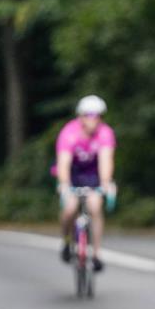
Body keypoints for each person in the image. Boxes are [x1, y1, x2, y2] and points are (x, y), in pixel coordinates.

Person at [55, 95, 117, 271]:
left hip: (93, 175)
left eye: (98, 115)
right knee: (69, 209)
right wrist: (64, 184)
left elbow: (106, 160)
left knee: (95, 206)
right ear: (80, 116)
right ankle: (66, 240)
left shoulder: (105, 133)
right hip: (73, 175)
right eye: (89, 115)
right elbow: (63, 162)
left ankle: (96, 253)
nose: (94, 119)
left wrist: (106, 183)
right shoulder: (69, 133)